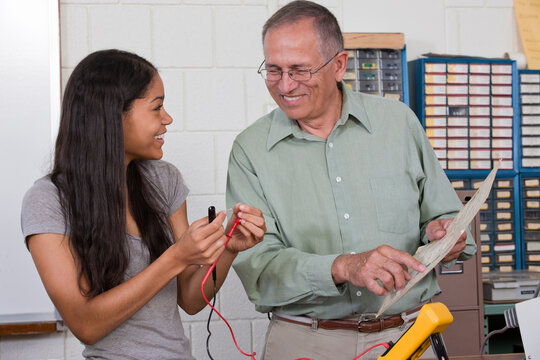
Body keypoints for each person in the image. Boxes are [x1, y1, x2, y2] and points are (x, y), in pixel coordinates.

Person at [226, 1, 476, 359]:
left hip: (410, 334)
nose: (284, 85)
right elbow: (259, 270)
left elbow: (446, 222)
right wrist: (343, 266)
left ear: (339, 65)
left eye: (298, 69)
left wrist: (444, 234)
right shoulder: (250, 150)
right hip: (306, 342)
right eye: (274, 70)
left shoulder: (398, 124)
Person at [21, 49, 266, 360]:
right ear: (112, 114)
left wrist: (228, 247)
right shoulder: (48, 200)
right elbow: (85, 324)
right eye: (157, 107)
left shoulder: (164, 180)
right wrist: (176, 257)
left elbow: (190, 299)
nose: (168, 118)